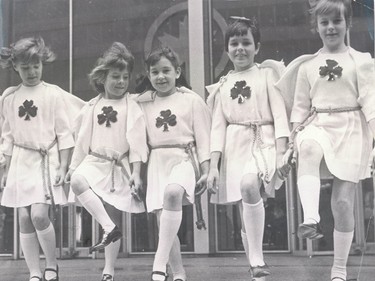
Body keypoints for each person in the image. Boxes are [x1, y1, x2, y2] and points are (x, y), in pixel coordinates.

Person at [276, 0, 375, 280]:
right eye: (324, 23)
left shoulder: (361, 61)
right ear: (316, 27)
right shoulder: (308, 66)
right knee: (308, 146)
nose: (331, 27)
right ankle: (310, 218)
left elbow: (371, 103)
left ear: (348, 24)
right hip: (318, 123)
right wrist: (292, 142)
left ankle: (339, 268)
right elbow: (299, 107)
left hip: (352, 130)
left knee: (342, 203)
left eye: (337, 21)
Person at [206, 16, 290, 279]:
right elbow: (217, 128)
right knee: (245, 200)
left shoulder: (266, 75)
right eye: (234, 43)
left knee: (249, 187)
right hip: (235, 144)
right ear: (227, 48)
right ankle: (255, 265)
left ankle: (256, 258)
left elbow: (279, 115)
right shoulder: (222, 85)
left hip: (263, 139)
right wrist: (213, 166)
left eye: (246, 42)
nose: (240, 48)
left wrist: (280, 151)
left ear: (257, 47)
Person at [0, 36, 84, 281]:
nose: (32, 72)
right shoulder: (9, 97)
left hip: (46, 162)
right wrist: (3, 171)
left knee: (39, 214)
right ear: (15, 66)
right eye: (25, 67)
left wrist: (64, 166)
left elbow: (64, 133)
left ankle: (51, 265)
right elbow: (7, 137)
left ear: (43, 64)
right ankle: (34, 272)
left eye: (36, 66)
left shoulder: (53, 94)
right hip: (19, 162)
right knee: (25, 219)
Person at [65, 42, 148, 281]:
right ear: (102, 77)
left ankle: (108, 269)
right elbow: (81, 142)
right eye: (115, 76)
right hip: (94, 161)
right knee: (78, 182)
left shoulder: (130, 105)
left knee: (115, 214)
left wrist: (136, 172)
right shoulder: (92, 106)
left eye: (125, 77)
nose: (121, 82)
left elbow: (136, 142)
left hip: (118, 165)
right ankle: (108, 228)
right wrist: (72, 168)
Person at [135, 46, 211, 281]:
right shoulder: (143, 103)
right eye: (155, 72)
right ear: (148, 75)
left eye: (166, 70)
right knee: (164, 221)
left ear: (177, 72)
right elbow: (137, 142)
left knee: (172, 192)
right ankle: (178, 272)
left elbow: (204, 138)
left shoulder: (190, 100)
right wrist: (137, 173)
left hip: (184, 158)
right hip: (157, 161)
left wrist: (207, 170)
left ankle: (158, 263)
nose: (161, 76)